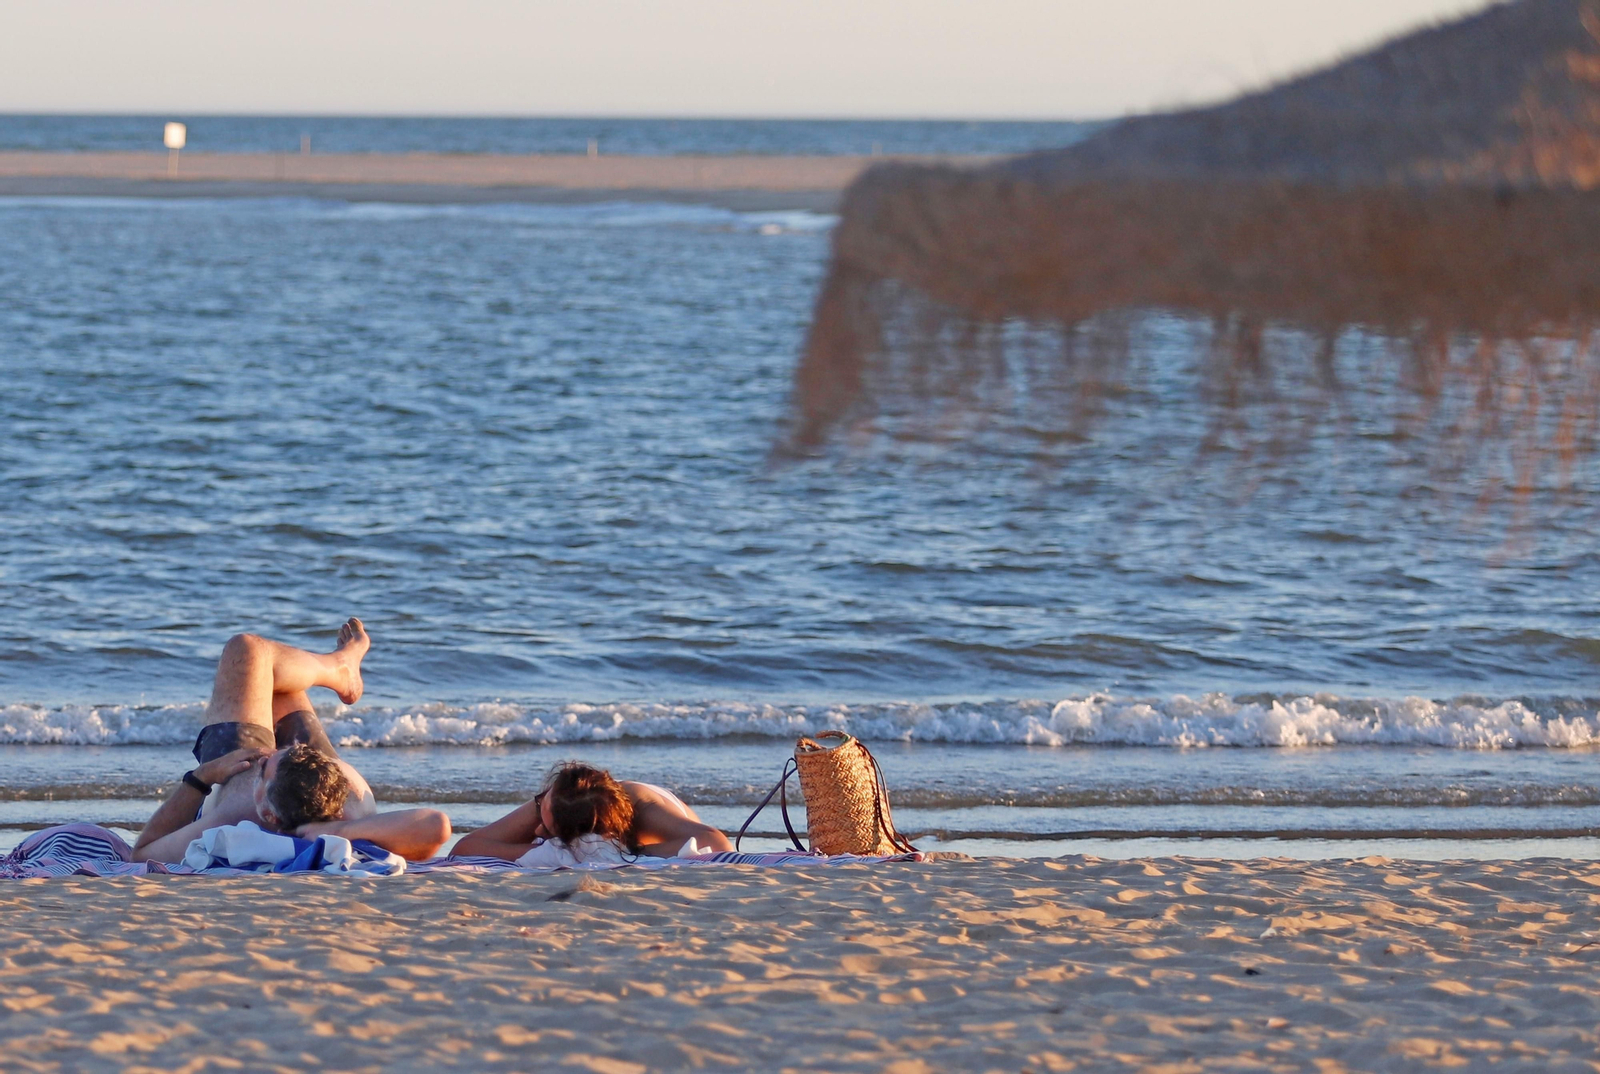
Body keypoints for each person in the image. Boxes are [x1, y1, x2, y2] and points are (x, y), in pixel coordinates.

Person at [130, 618, 450, 863]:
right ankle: (340, 667)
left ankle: (338, 667)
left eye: (265, 765)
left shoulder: (235, 816)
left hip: (233, 767)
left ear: (267, 814)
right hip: (316, 795)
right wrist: (338, 830)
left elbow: (142, 852)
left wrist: (201, 778)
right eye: (292, 751)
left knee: (247, 651)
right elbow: (437, 826)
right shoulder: (350, 816)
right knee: (280, 680)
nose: (277, 747)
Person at [452, 762, 733, 860]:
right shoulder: (561, 798)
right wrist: (541, 830)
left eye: (546, 829)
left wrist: (624, 852)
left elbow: (716, 843)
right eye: (540, 812)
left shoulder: (642, 807)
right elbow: (465, 849)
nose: (536, 830)